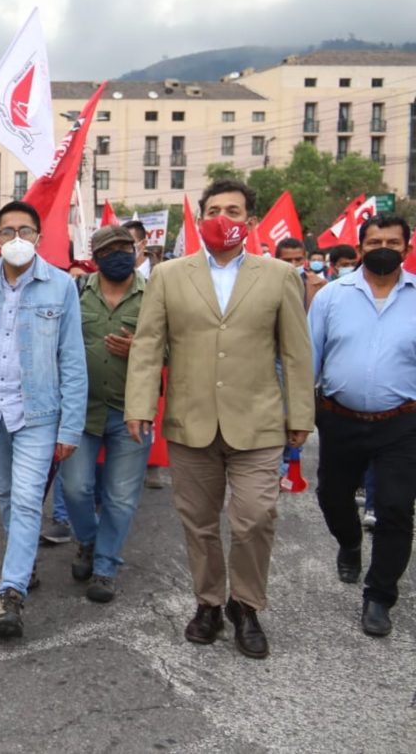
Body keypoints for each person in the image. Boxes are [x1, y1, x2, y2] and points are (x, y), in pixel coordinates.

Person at [126, 179, 313, 660]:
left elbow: (295, 352)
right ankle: (208, 602)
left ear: (250, 222)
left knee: (254, 518)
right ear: (201, 217)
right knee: (199, 523)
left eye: (233, 210)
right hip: (192, 423)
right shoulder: (169, 275)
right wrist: (141, 406)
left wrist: (300, 414)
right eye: (214, 210)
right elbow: (148, 346)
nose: (223, 218)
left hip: (259, 423)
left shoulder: (278, 276)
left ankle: (246, 606)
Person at [0, 201, 87, 638]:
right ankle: (24, 564)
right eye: (7, 232)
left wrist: (70, 426)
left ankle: (11, 592)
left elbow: (73, 359)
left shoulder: (61, 286)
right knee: (5, 493)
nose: (17, 240)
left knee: (27, 499)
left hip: (38, 414)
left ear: (40, 238)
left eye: (26, 231)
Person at [310, 214, 416, 638]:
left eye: (392, 241)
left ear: (407, 248)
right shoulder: (332, 297)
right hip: (339, 419)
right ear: (360, 248)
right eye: (374, 241)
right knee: (333, 498)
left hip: (402, 424)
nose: (383, 247)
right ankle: (350, 543)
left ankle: (379, 596)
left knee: (394, 508)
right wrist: (297, 418)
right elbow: (308, 359)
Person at [59, 225, 152, 603]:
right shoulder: (76, 292)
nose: (118, 254)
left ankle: (105, 567)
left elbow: (176, 350)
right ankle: (88, 540)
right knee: (75, 488)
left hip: (132, 411)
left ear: (135, 251)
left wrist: (140, 351)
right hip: (80, 411)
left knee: (121, 496)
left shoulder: (155, 296)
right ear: (95, 258)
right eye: (109, 250)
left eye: (124, 247)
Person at [274, 237, 326, 311]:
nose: (293, 264)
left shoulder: (320, 284)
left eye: (298, 259)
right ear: (276, 259)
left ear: (305, 259)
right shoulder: (266, 283)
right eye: (287, 260)